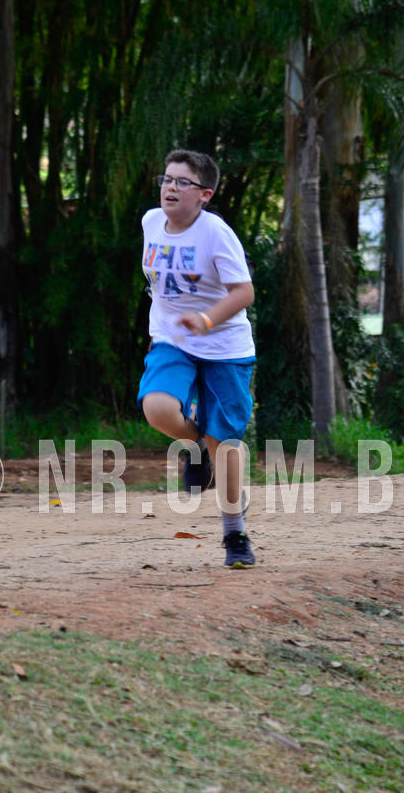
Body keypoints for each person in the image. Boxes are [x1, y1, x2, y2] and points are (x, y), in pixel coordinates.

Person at [137, 148, 256, 568]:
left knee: (225, 441)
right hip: (173, 338)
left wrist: (206, 320)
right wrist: (166, 329)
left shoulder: (215, 233)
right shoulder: (151, 222)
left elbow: (244, 292)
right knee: (157, 408)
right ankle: (196, 448)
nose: (170, 187)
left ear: (204, 194)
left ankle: (234, 533)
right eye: (167, 179)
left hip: (225, 348)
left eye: (182, 182)